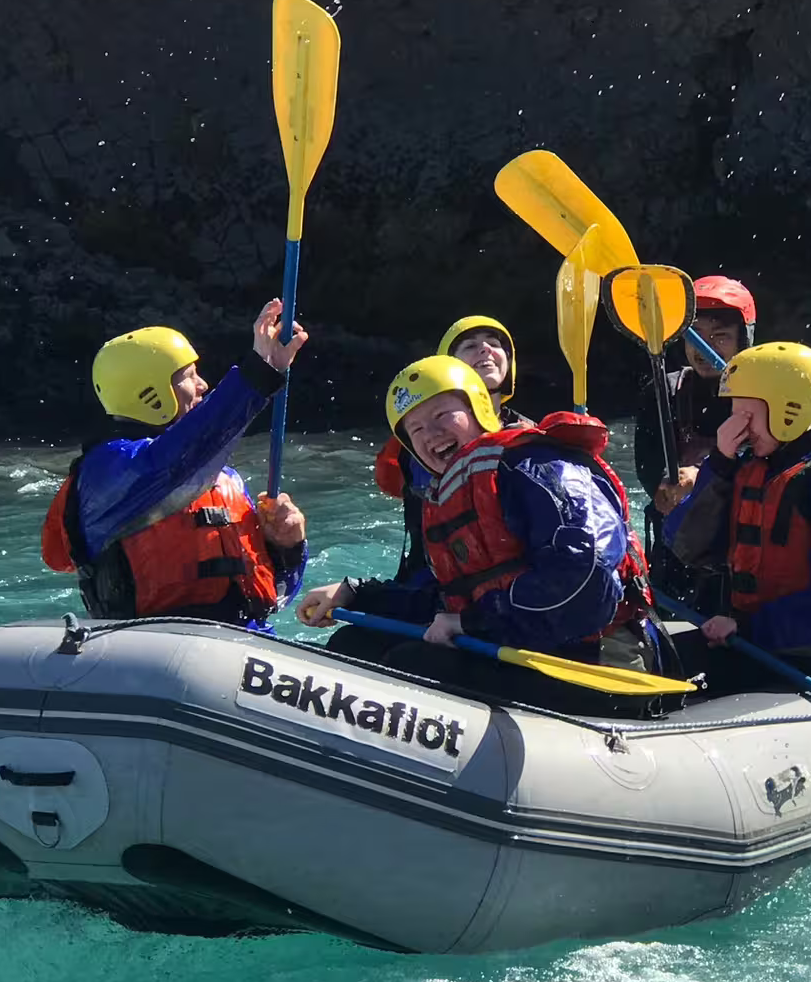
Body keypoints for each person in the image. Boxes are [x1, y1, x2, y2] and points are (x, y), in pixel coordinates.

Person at [297, 356, 665, 716]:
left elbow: (588, 582)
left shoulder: (538, 467)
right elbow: (454, 598)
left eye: (442, 414)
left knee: (416, 663)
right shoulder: (459, 490)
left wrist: (472, 623)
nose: (433, 434)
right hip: (522, 644)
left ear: (479, 409)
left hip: (602, 661)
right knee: (354, 643)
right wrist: (357, 593)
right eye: (418, 429)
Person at [41, 301, 309, 627]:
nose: (202, 385)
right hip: (152, 647)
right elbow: (173, 458)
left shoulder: (222, 478)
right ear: (151, 393)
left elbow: (274, 598)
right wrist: (259, 373)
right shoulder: (111, 469)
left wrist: (288, 548)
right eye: (189, 376)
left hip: (243, 643)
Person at [663, 342, 811, 690]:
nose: (738, 426)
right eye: (733, 413)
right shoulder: (747, 468)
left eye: (746, 414)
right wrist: (718, 463)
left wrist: (750, 629)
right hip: (754, 640)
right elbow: (687, 546)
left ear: (788, 409)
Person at [372, 315, 529, 581]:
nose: (485, 349)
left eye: (494, 343)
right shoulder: (417, 443)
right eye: (470, 346)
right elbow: (389, 482)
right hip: (430, 581)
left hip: (504, 588)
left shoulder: (528, 438)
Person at [633, 276, 756, 601]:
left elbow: (771, 467)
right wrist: (668, 483)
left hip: (741, 549)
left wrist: (703, 478)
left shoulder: (762, 397)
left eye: (721, 337)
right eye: (697, 336)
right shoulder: (663, 392)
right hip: (677, 549)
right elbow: (647, 467)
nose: (706, 348)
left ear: (743, 341)